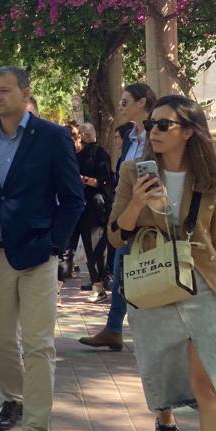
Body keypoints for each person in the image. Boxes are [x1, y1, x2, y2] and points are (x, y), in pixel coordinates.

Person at [110, 95, 216, 431]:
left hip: (203, 283)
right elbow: (116, 234)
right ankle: (165, 418)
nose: (153, 131)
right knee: (164, 365)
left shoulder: (213, 177)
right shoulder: (134, 171)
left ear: (188, 131)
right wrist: (137, 202)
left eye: (163, 125)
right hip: (153, 279)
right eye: (151, 124)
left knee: (209, 382)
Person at [0, 67, 84, 431]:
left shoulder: (51, 137)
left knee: (38, 344)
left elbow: (73, 198)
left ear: (25, 93)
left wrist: (55, 245)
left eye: (4, 90)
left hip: (37, 255)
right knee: (0, 341)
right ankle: (13, 399)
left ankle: (35, 430)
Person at [81, 83, 156, 351]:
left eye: (126, 102)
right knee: (122, 265)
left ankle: (134, 330)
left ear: (142, 102)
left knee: (149, 272)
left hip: (153, 217)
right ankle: (113, 329)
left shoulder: (157, 134)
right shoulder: (130, 137)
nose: (121, 107)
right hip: (127, 213)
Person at [67, 123, 112, 303]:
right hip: (81, 206)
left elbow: (104, 181)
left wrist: (83, 180)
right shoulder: (77, 156)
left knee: (94, 248)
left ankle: (99, 287)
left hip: (96, 208)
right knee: (81, 247)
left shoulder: (99, 154)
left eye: (81, 134)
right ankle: (95, 284)